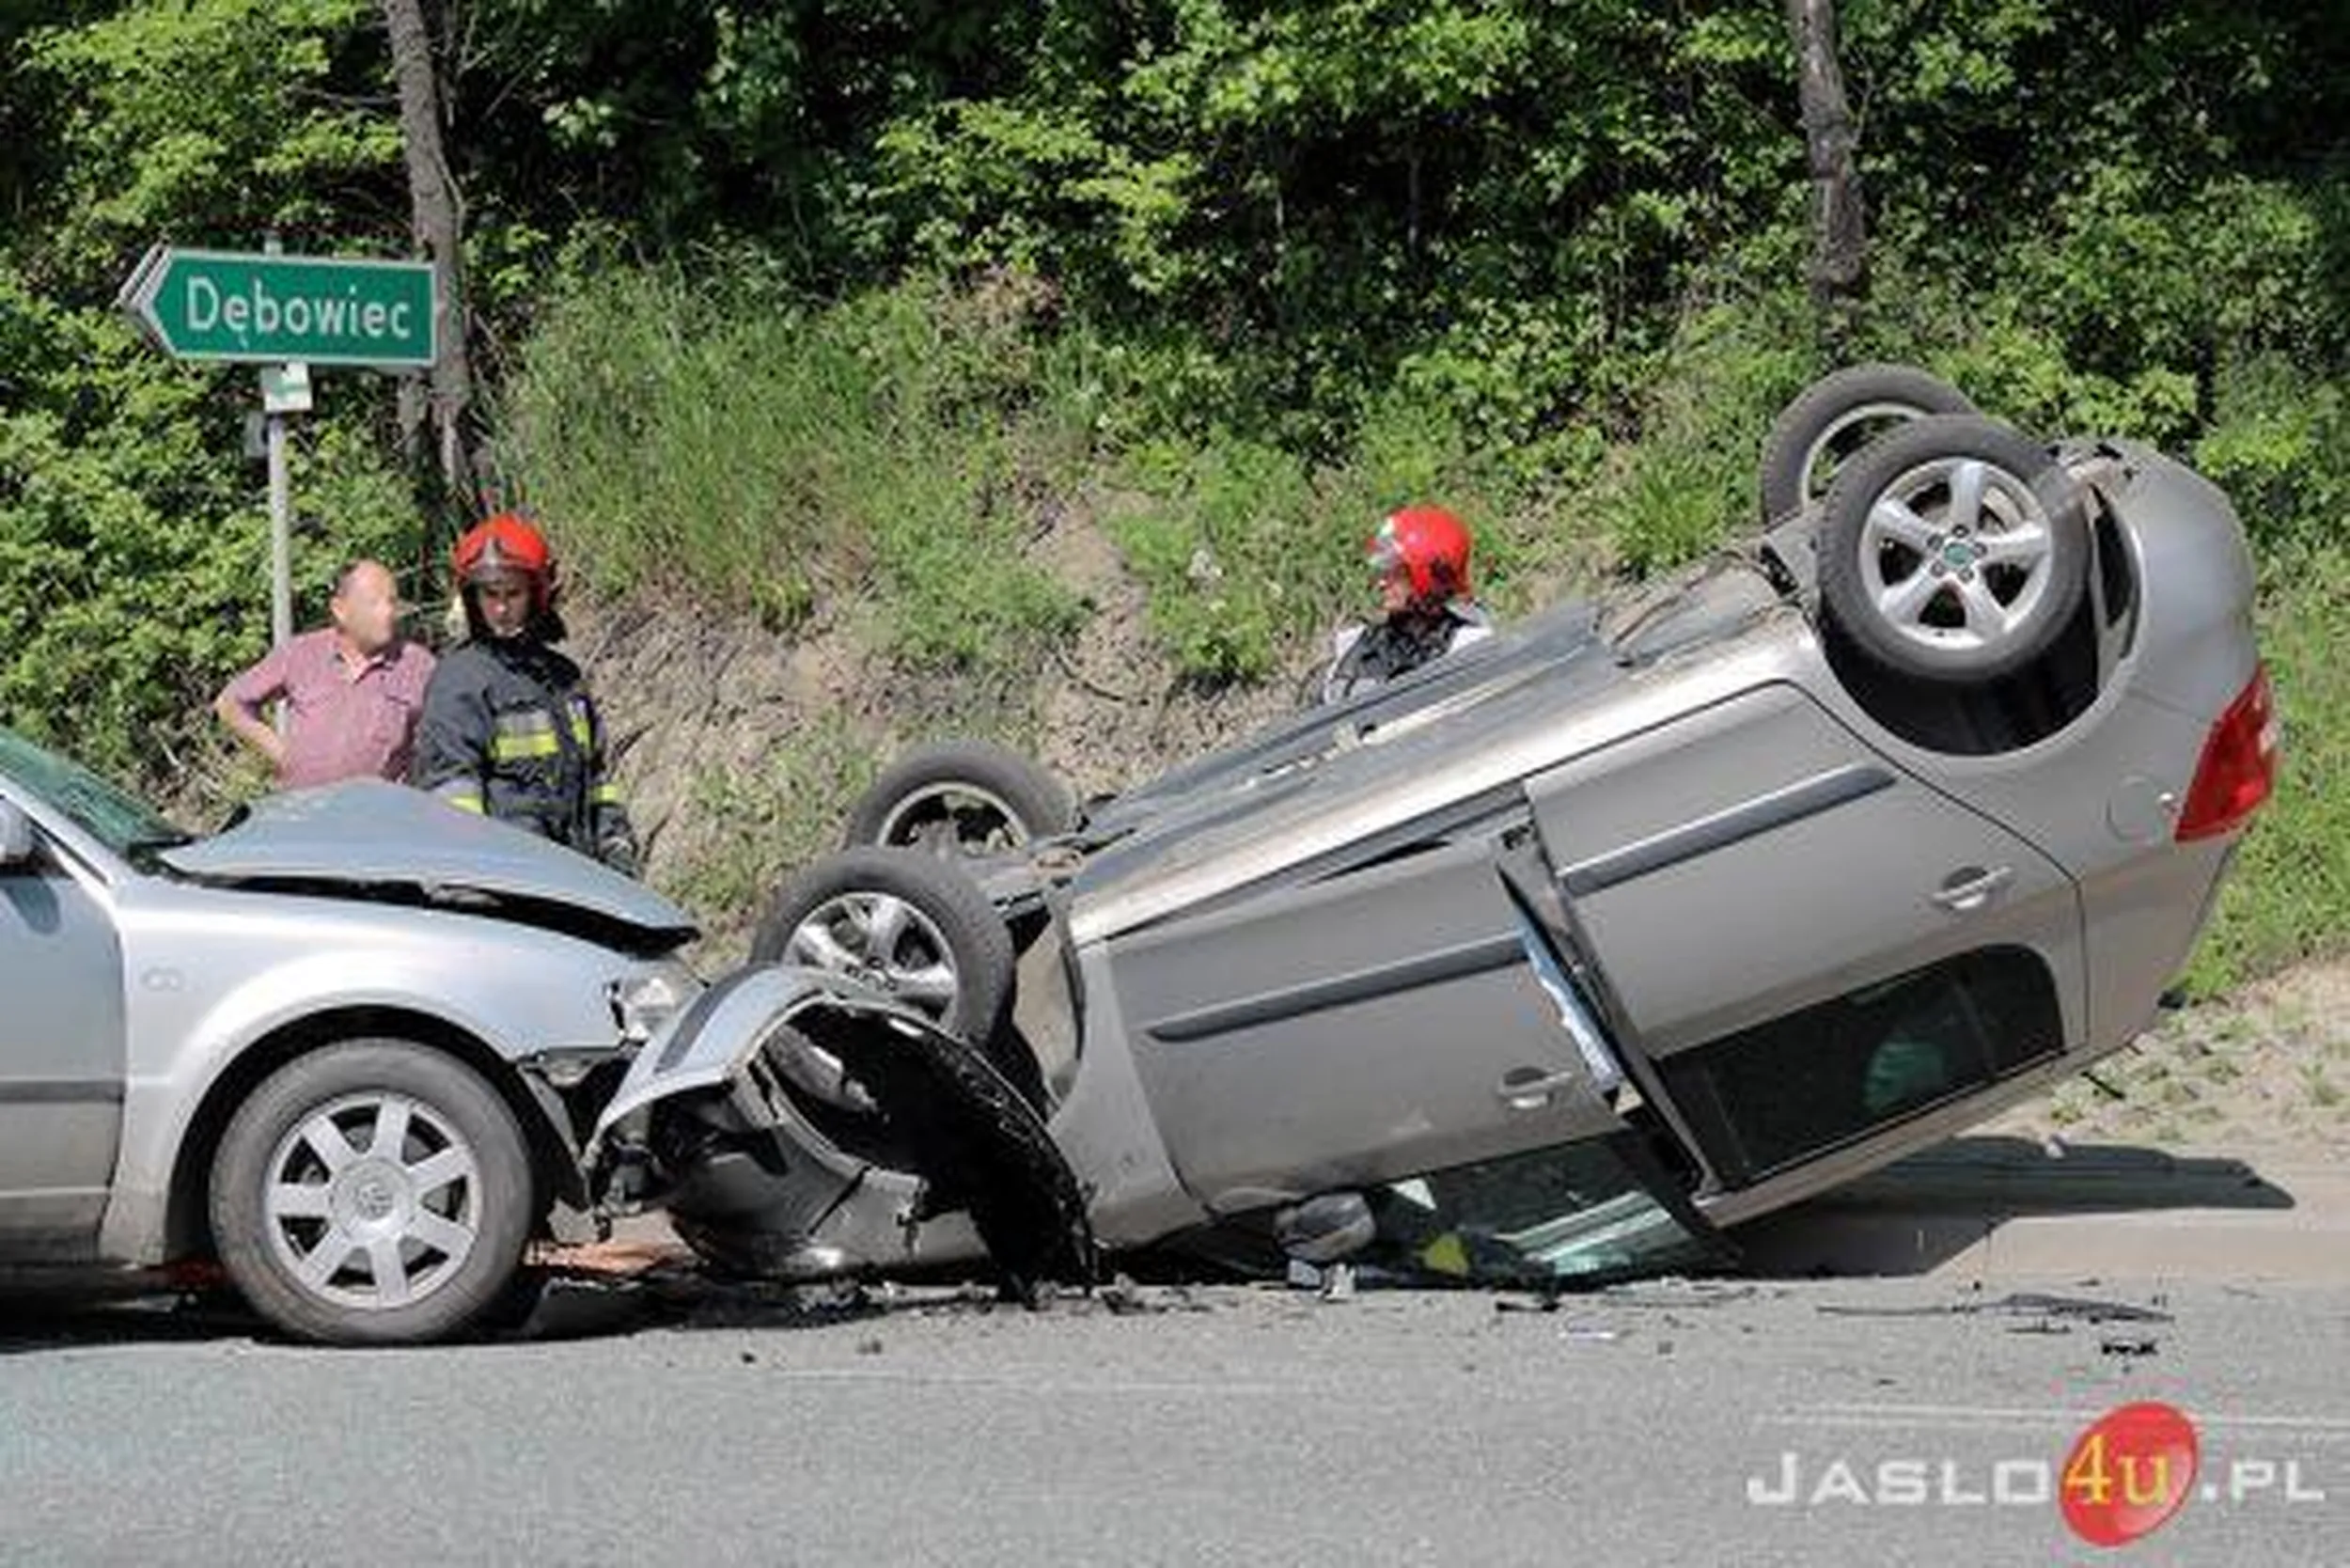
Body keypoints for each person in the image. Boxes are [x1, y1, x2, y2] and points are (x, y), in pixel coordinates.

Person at [410, 512, 638, 873]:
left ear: (537, 594)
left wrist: (616, 849)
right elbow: (450, 790)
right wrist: (470, 880)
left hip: (578, 878)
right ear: (472, 598)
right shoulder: (460, 679)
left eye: (513, 594)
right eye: (490, 594)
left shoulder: (564, 678)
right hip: (508, 886)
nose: (501, 609)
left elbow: (596, 781)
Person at [213, 558, 436, 789]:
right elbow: (230, 704)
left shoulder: (418, 665)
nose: (388, 612)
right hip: (304, 812)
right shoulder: (300, 654)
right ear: (340, 610)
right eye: (374, 603)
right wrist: (283, 755)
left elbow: (443, 742)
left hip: (375, 815)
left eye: (392, 602)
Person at [1316, 504, 1494, 704]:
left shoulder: (1470, 647)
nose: (1382, 583)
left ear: (1428, 576)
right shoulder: (1359, 648)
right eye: (1383, 572)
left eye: (1394, 572)